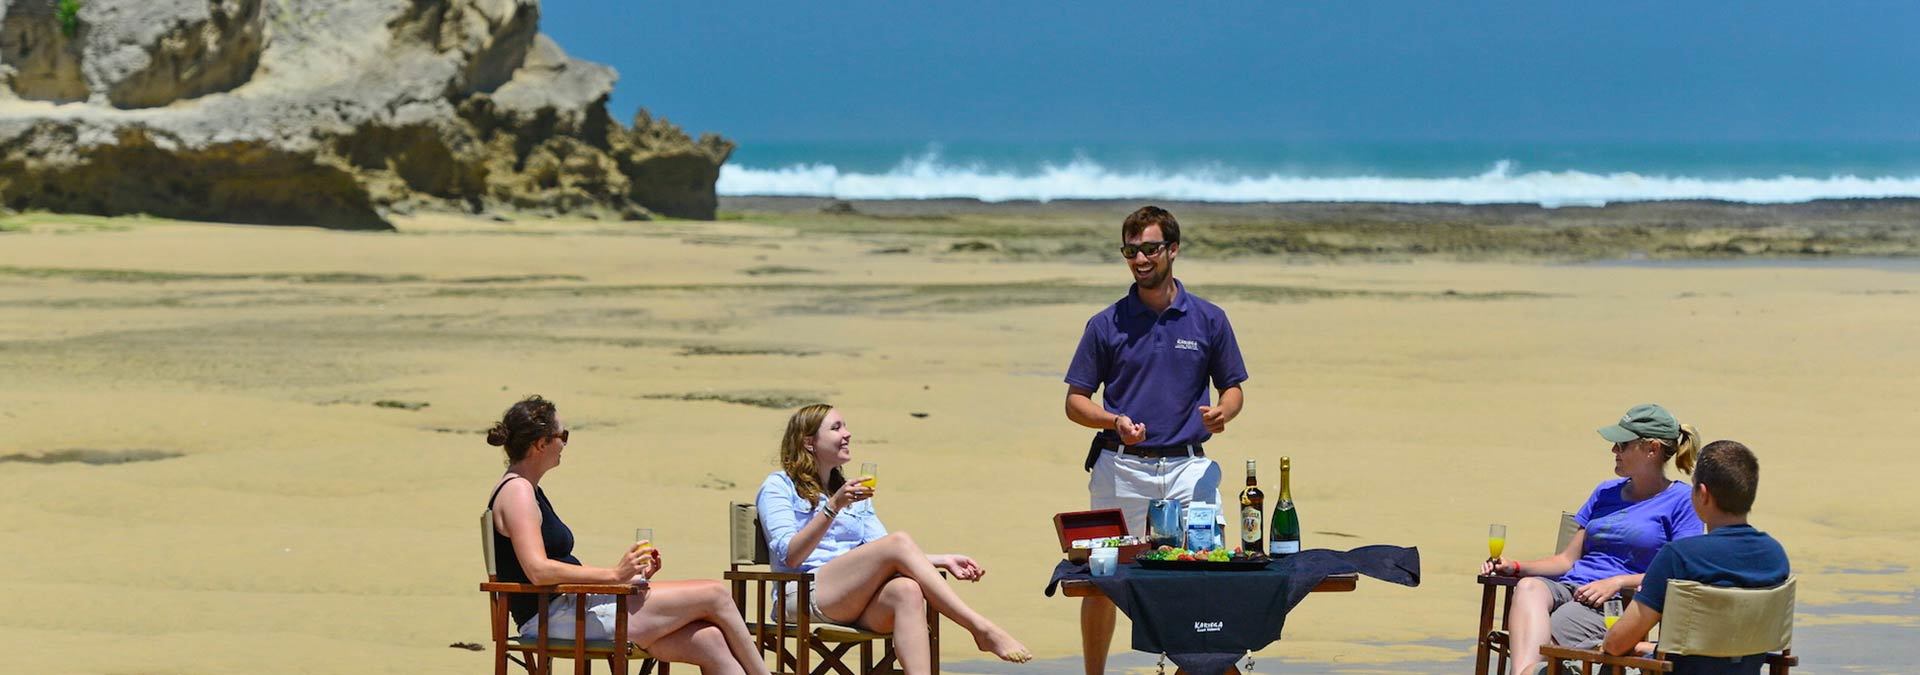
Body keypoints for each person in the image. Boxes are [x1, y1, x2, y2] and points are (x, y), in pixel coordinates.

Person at [1062, 205, 1248, 675]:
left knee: (1207, 572)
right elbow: (1075, 402)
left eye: (1149, 248)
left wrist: (1224, 410)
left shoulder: (1208, 319)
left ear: (1172, 249)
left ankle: (1197, 668)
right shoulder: (1105, 324)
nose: (1140, 259)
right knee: (1102, 579)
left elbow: (1233, 387)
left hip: (1189, 469)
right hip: (1120, 468)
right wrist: (1113, 420)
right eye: (1130, 251)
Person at [484, 396, 773, 675]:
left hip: (571, 606)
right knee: (716, 594)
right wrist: (614, 575)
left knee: (710, 641)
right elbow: (538, 570)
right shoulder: (518, 492)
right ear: (541, 443)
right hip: (553, 619)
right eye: (563, 435)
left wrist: (629, 575)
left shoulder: (527, 489)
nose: (564, 444)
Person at [756, 404, 1032, 674]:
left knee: (906, 590)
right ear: (809, 442)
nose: (847, 434)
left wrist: (943, 560)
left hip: (852, 599)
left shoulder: (852, 493)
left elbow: (890, 553)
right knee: (898, 542)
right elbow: (789, 556)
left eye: (846, 426)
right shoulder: (780, 486)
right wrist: (833, 507)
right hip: (803, 594)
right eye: (836, 427)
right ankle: (979, 627)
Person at [1481, 403, 1707, 675]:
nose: (1614, 451)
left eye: (1622, 444)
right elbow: (1566, 560)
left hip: (1614, 606)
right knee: (1528, 587)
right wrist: (1516, 567)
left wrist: (1618, 581)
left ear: (1652, 449)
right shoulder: (1605, 492)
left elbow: (1680, 573)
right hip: (1570, 588)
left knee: (1561, 621)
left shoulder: (1682, 501)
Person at [1601, 440, 1791, 674]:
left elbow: (1616, 644)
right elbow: (1723, 642)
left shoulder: (1679, 556)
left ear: (1702, 494)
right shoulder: (1775, 555)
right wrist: (1650, 648)